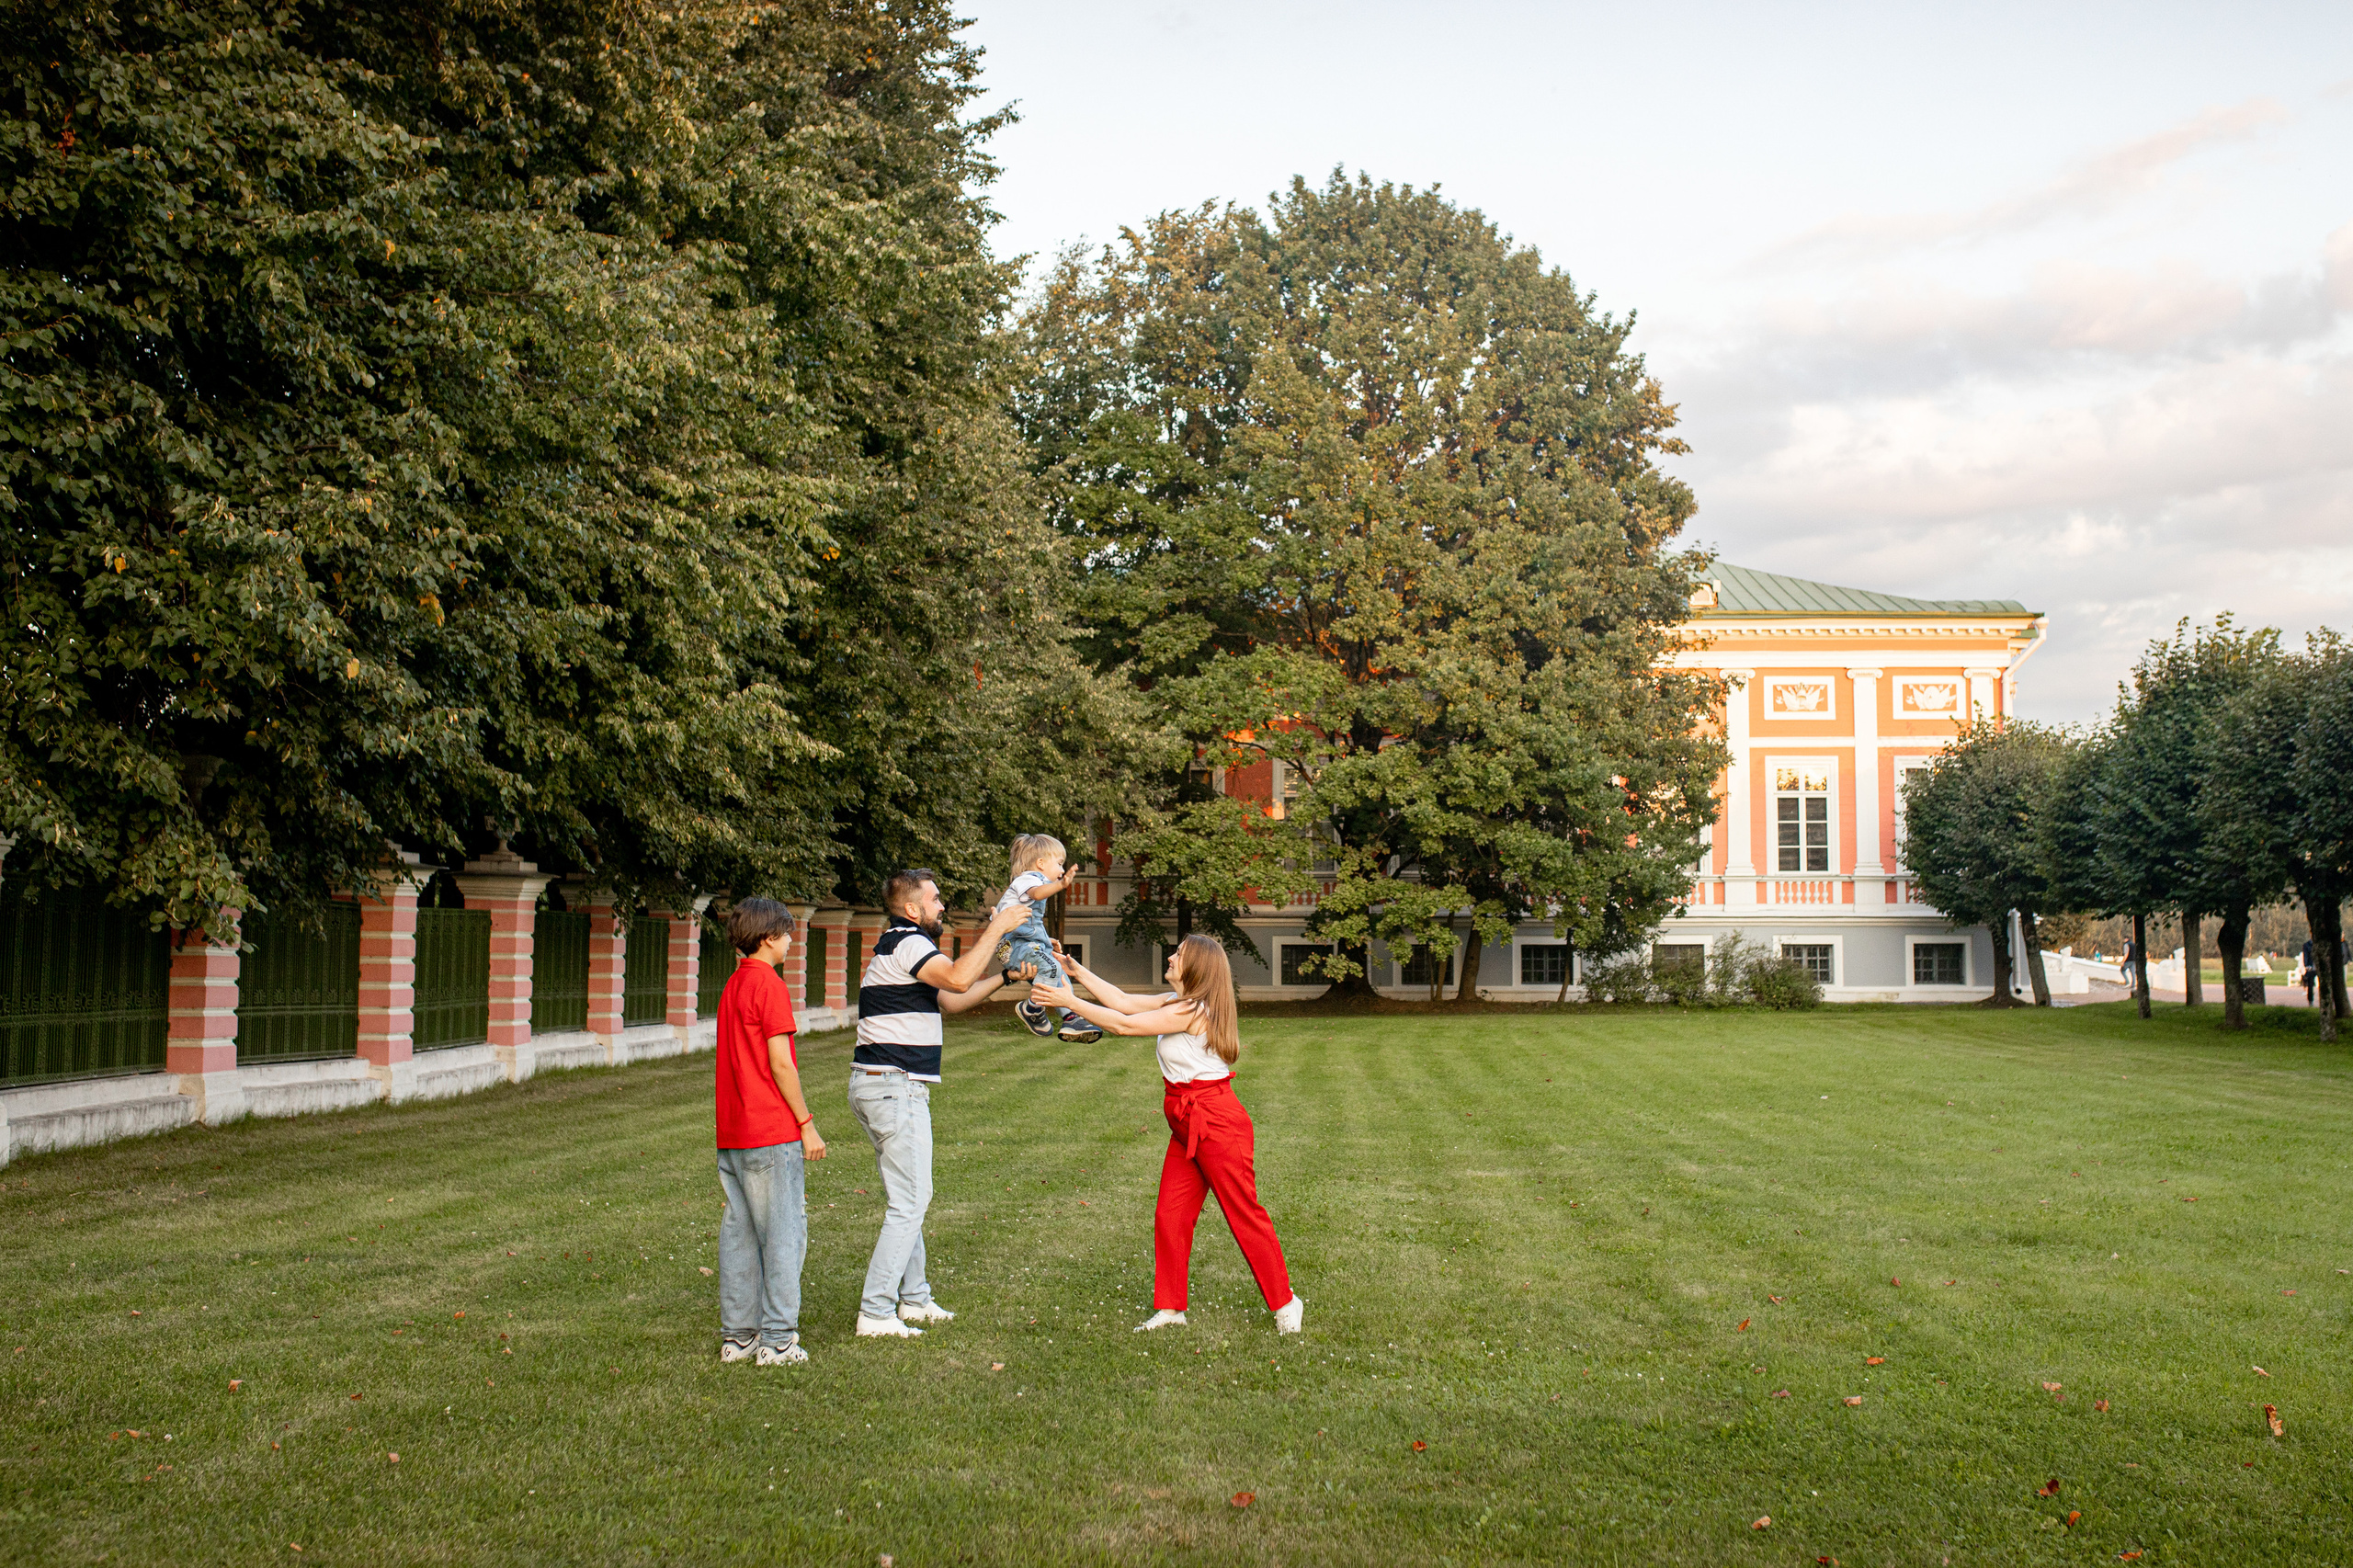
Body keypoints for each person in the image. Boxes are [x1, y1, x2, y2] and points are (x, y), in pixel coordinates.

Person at [1032, 935, 1304, 1337]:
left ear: (1197, 967)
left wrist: (1069, 1002)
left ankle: (1285, 1301)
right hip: (1186, 1121)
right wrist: (1076, 971)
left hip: (1216, 1122)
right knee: (1171, 1215)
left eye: (1180, 954)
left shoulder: (1197, 1010)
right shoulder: (1175, 1002)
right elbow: (1123, 1003)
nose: (1172, 957)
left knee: (1242, 1213)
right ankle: (1171, 1309)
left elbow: (1124, 1026)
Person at [847, 869, 1035, 1339]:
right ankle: (875, 1312)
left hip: (882, 1084)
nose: (942, 906)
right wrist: (1000, 927)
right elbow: (955, 976)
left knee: (906, 1198)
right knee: (912, 1201)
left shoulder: (903, 946)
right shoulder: (908, 942)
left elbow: (951, 999)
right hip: (895, 1084)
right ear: (912, 909)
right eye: (934, 900)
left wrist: (1006, 975)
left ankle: (914, 1300)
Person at [712, 898, 824, 1366]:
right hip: (771, 1131)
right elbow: (781, 1062)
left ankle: (739, 1337)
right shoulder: (770, 986)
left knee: (739, 1235)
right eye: (787, 932)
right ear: (768, 936)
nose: (791, 940)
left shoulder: (732, 986)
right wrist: (806, 1123)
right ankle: (779, 1340)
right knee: (782, 1234)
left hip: (734, 1134)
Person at [996, 834, 1102, 1043]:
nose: (1062, 870)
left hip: (1024, 943)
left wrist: (1046, 939)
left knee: (1060, 972)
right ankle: (1032, 1008)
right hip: (1012, 945)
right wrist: (1062, 885)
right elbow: (1036, 894)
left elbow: (1028, 924)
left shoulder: (1033, 881)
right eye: (1060, 863)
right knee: (1052, 967)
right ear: (1041, 863)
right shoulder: (1029, 879)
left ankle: (1070, 1017)